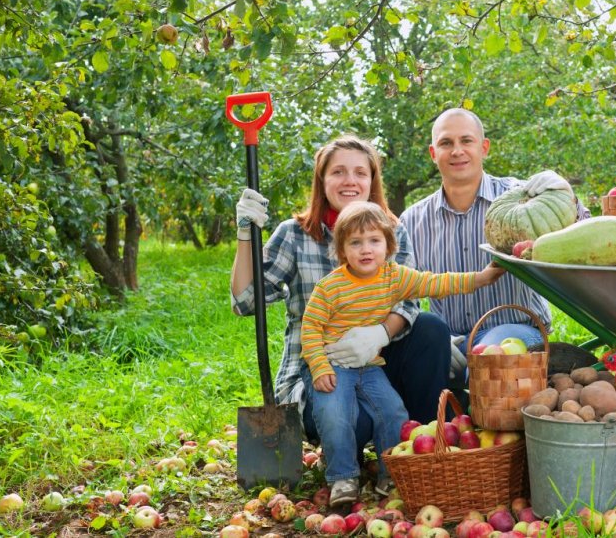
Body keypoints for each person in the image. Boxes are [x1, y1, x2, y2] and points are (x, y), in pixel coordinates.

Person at [230, 135, 452, 461]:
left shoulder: (391, 231)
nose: (350, 181)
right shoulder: (294, 235)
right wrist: (244, 235)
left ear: (372, 181)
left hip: (377, 367)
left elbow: (407, 302)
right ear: (322, 181)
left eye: (360, 173)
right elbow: (245, 302)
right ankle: (350, 454)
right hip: (321, 377)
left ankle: (420, 452)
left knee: (431, 329)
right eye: (338, 172)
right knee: (353, 422)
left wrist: (380, 334)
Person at [301, 200, 504, 505]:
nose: (365, 249)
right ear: (342, 250)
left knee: (393, 412)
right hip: (333, 364)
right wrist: (319, 367)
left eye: (374, 241)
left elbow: (437, 283)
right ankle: (342, 476)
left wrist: (482, 278)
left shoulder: (394, 277)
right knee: (335, 413)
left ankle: (391, 474)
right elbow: (311, 327)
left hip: (370, 365)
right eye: (355, 243)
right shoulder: (331, 287)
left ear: (389, 245)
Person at [400, 108, 590, 380]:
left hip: (515, 330)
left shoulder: (521, 199)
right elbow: (403, 290)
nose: (457, 151)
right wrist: (432, 340)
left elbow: (581, 230)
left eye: (466, 141)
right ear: (433, 153)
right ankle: (440, 421)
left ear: (484, 147)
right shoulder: (413, 219)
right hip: (450, 340)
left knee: (486, 363)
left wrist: (565, 193)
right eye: (446, 143)